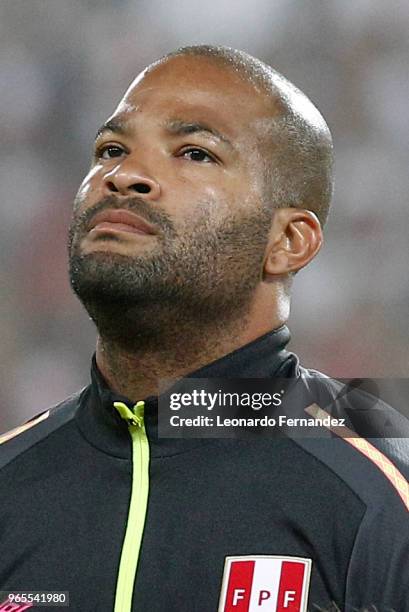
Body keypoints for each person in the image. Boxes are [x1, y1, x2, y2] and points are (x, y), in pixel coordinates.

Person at [0, 45, 408, 612]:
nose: (126, 176)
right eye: (111, 149)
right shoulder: (10, 481)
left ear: (289, 241)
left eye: (194, 153)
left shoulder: (382, 488)